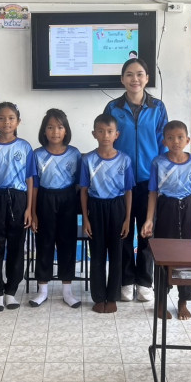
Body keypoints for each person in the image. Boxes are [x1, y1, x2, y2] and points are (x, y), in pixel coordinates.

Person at [104, 57, 168, 303]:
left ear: (147, 78)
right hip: (120, 181)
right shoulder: (113, 108)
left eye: (140, 74)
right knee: (123, 231)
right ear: (122, 79)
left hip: (149, 181)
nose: (135, 79)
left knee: (146, 232)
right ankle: (126, 280)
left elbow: (164, 142)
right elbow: (107, 141)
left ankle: (144, 281)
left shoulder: (157, 107)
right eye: (129, 74)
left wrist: (161, 177)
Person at [141, 120, 191, 320]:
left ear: (187, 140)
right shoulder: (158, 162)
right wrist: (149, 219)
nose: (175, 141)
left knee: (187, 256)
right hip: (166, 208)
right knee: (164, 255)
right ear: (164, 142)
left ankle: (183, 301)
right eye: (170, 138)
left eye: (180, 137)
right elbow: (153, 192)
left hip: (189, 209)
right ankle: (161, 301)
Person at [0, 102, 36, 311]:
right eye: (1, 118)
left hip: (19, 199)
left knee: (16, 247)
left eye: (11, 118)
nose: (6, 122)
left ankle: (11, 291)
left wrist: (29, 208)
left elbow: (30, 179)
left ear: (18, 122)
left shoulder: (25, 147)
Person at [80, 113, 134, 313]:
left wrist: (127, 219)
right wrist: (86, 219)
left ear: (116, 134)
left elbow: (128, 191)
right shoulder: (88, 159)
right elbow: (84, 191)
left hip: (118, 208)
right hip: (96, 208)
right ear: (94, 134)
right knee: (97, 254)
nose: (105, 135)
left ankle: (112, 297)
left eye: (109, 131)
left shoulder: (125, 160)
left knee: (117, 255)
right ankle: (98, 297)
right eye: (101, 131)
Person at [29, 108, 82, 308]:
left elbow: (79, 184)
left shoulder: (74, 153)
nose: (55, 132)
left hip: (68, 198)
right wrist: (33, 212)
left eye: (60, 127)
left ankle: (67, 291)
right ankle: (42, 290)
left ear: (66, 130)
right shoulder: (37, 154)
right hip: (44, 198)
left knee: (67, 243)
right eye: (50, 127)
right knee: (44, 243)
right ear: (44, 131)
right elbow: (34, 185)